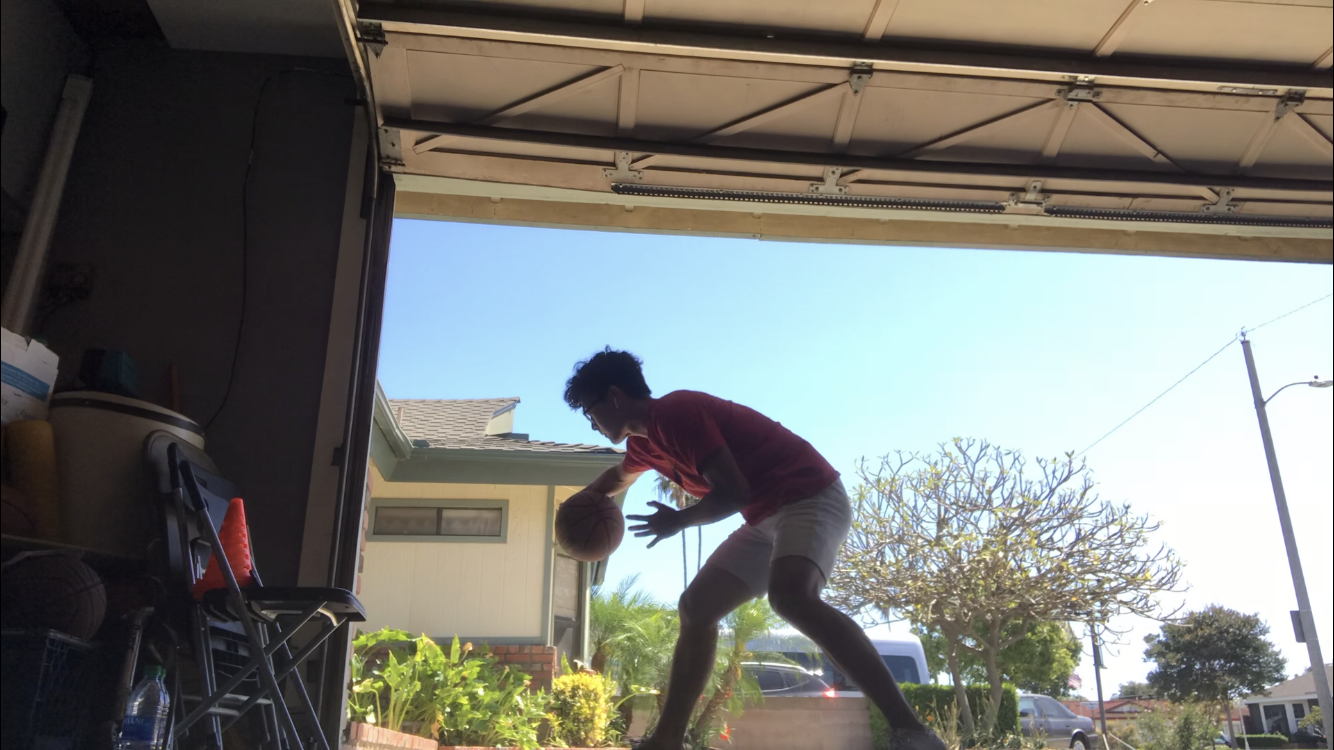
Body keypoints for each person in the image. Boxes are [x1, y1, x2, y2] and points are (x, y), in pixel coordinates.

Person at [563, 347, 946, 750]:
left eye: (590, 411)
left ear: (614, 396)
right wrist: (573, 510)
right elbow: (616, 479)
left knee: (792, 597)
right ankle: (667, 741)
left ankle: (913, 733)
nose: (591, 423)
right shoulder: (645, 446)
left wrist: (678, 520)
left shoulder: (676, 413)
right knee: (696, 607)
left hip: (808, 495)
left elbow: (734, 493)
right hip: (765, 517)